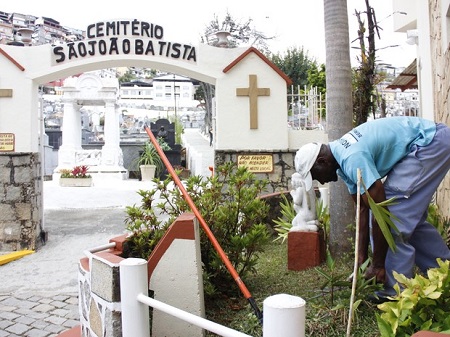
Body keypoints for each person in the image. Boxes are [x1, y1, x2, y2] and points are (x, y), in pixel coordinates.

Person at [295, 116, 450, 302]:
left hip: (430, 142)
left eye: (315, 175)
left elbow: (381, 212)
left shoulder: (352, 158)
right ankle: (444, 271)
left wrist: (377, 265)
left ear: (322, 161)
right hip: (433, 140)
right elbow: (363, 209)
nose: (320, 181)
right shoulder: (342, 162)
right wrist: (360, 262)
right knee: (407, 220)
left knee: (393, 217)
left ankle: (396, 294)